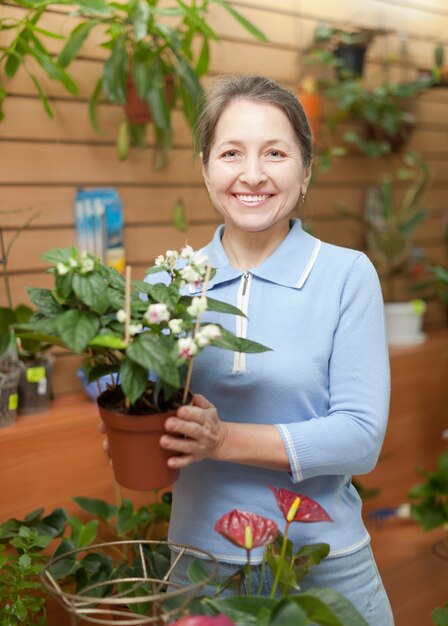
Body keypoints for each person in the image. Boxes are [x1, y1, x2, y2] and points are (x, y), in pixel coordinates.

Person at [155, 75, 393, 624]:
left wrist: (221, 440)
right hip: (199, 564)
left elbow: (360, 439)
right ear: (206, 167)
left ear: (306, 170)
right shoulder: (169, 283)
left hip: (324, 563)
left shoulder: (346, 276)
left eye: (276, 153)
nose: (253, 174)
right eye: (231, 152)